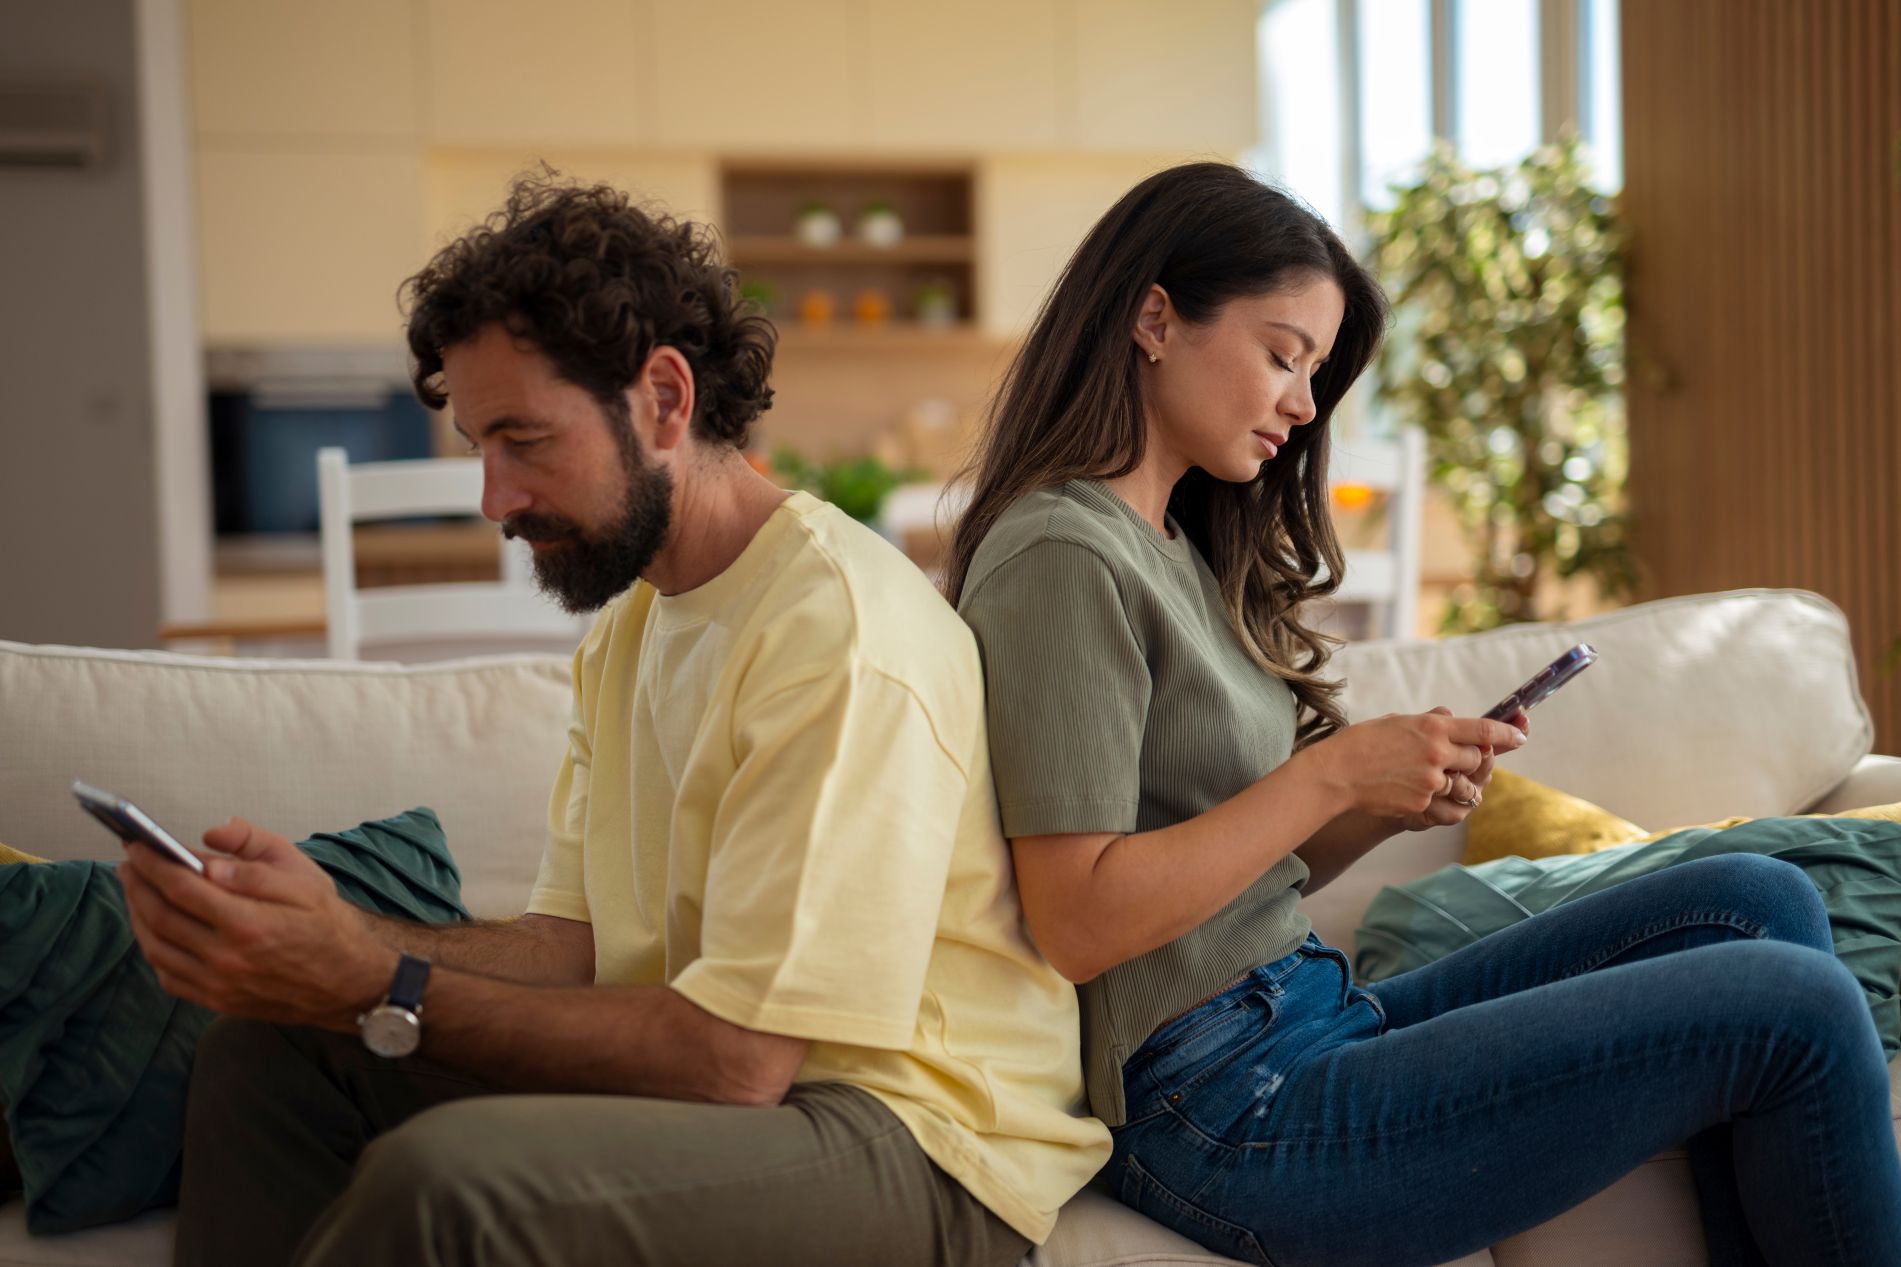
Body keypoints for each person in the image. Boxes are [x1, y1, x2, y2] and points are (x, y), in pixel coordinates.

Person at [118, 174, 1109, 1267]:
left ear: (664, 400)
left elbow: (738, 1060)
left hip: (912, 1138)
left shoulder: (835, 629)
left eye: (523, 440)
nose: (494, 498)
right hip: (757, 1092)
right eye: (479, 449)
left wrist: (375, 981)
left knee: (452, 1186)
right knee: (274, 1054)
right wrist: (341, 942)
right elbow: (570, 946)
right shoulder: (632, 628)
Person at [947, 161, 1901, 1266]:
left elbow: (1232, 868)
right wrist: (1327, 775)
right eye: (1281, 355)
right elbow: (1078, 920)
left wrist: (1379, 805)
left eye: (1312, 372)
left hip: (1294, 1015)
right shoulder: (1062, 552)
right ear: (1153, 319)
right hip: (1219, 1111)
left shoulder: (1171, 545)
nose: (1303, 405)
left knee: (1755, 896)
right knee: (1792, 1005)